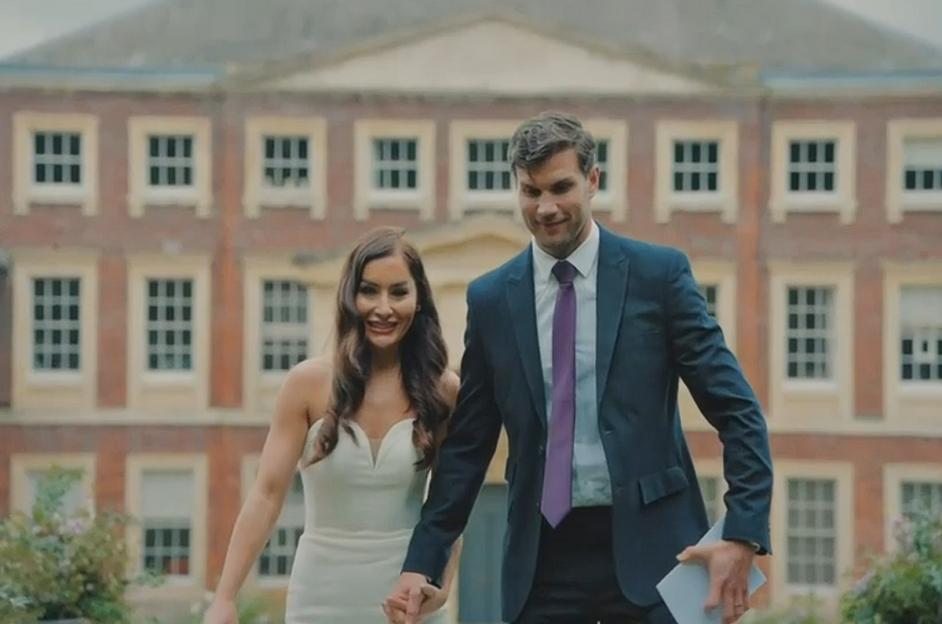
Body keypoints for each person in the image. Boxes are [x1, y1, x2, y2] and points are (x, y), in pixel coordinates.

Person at [387, 112, 773, 624]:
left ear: (593, 181)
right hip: (542, 559)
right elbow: (468, 446)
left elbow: (737, 410)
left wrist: (741, 530)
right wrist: (423, 562)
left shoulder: (658, 277)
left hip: (657, 554)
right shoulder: (491, 299)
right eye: (530, 191)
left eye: (560, 188)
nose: (545, 207)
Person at [204, 227, 460, 624]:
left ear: (419, 298)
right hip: (320, 595)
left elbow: (448, 505)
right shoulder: (305, 385)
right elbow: (266, 495)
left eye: (398, 292)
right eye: (369, 290)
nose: (383, 307)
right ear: (349, 297)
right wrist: (224, 597)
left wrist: (441, 590)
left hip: (406, 600)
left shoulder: (443, 391)